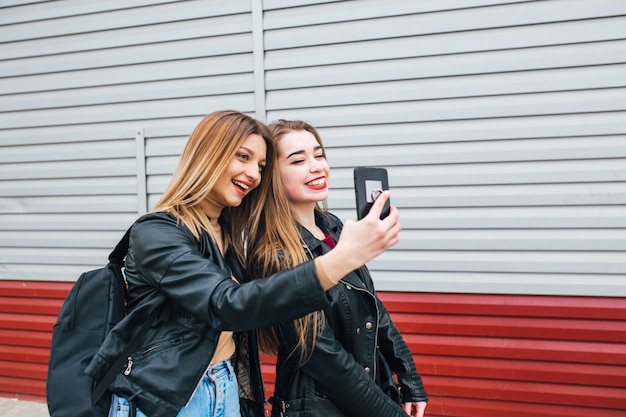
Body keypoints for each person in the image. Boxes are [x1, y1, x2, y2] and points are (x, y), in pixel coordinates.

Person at [84, 110, 401, 417]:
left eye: (261, 165)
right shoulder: (156, 233)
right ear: (209, 156)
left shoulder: (226, 233)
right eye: (243, 157)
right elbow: (226, 305)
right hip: (165, 400)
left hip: (225, 385)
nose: (254, 174)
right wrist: (343, 257)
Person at [246, 119, 427, 417]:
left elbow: (373, 307)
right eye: (298, 160)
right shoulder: (274, 254)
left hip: (369, 397)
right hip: (318, 408)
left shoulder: (335, 228)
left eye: (318, 155)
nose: (317, 166)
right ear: (272, 177)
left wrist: (409, 378)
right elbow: (325, 360)